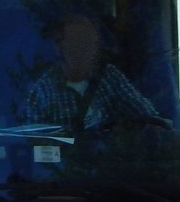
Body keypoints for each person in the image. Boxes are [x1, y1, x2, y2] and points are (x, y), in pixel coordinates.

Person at [23, 14, 163, 132]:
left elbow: (149, 119)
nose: (83, 50)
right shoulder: (42, 92)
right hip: (65, 163)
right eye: (76, 42)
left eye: (88, 43)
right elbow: (34, 146)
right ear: (59, 48)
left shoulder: (110, 77)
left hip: (110, 162)